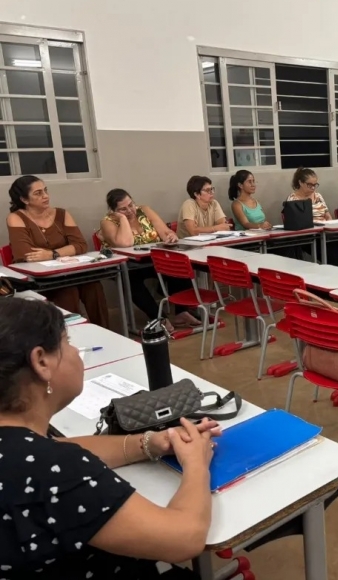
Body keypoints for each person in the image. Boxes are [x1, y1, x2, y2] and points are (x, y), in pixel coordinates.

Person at [0, 297, 219, 579]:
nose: (75, 351)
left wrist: (149, 443)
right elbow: (184, 538)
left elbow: (56, 448)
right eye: (67, 343)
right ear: (41, 361)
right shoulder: (55, 469)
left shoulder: (25, 452)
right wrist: (197, 464)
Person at [6, 176, 110, 328]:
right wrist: (67, 250)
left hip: (70, 272)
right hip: (41, 280)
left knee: (94, 286)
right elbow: (26, 254)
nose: (45, 196)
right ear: (24, 199)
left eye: (45, 191)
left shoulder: (62, 214)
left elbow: (80, 245)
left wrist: (52, 254)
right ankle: (70, 336)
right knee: (68, 291)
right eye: (38, 193)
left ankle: (104, 331)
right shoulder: (16, 218)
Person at [98, 189, 202, 330]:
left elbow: (164, 232)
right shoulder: (107, 222)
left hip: (152, 259)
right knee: (130, 280)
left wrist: (170, 235)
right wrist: (123, 219)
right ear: (113, 211)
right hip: (127, 265)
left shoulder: (144, 210)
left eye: (131, 205)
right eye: (123, 209)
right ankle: (158, 317)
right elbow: (125, 243)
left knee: (179, 267)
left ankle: (181, 312)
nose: (130, 210)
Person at [287, 167, 338, 268]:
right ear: (301, 183)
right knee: (329, 248)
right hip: (307, 236)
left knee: (332, 242)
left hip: (324, 232)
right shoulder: (293, 199)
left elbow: (327, 215)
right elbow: (296, 222)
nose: (313, 188)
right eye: (310, 185)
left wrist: (330, 225)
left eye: (315, 185)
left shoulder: (318, 196)